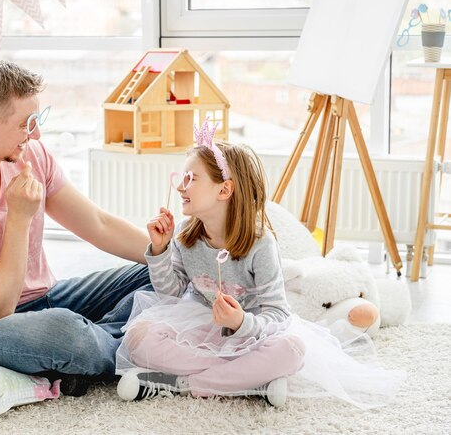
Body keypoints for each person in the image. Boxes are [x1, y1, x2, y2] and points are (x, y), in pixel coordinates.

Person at [116, 121, 405, 409]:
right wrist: (159, 249)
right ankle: (245, 380)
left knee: (292, 349)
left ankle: (184, 384)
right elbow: (171, 295)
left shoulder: (261, 245)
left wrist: (241, 323)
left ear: (224, 190)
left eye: (192, 178)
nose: (181, 186)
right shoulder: (183, 234)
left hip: (251, 334)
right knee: (138, 338)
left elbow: (278, 314)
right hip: (201, 329)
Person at [0, 61, 151, 397]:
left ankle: (84, 355)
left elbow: (99, 224)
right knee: (67, 334)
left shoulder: (30, 154)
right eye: (27, 124)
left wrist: (181, 253)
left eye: (37, 120)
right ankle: (133, 346)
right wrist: (18, 219)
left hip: (47, 299)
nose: (36, 134)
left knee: (158, 271)